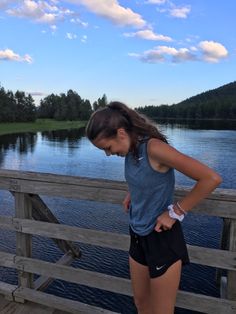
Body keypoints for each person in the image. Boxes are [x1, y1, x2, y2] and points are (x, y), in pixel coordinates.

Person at [85, 101, 222, 314]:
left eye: (107, 148)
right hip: (138, 236)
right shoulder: (130, 150)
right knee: (141, 304)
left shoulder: (154, 148)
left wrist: (176, 211)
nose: (108, 154)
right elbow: (148, 176)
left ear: (121, 133)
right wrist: (135, 192)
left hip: (162, 238)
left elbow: (210, 178)